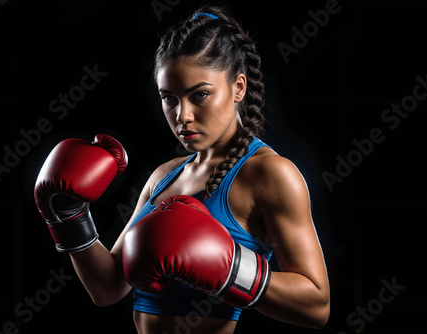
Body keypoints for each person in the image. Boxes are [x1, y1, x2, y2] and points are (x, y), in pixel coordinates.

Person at [34, 5, 330, 334]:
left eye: (199, 95)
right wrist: (70, 217)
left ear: (239, 88)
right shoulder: (164, 176)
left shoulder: (269, 174)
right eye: (169, 98)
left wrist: (229, 270)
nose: (182, 116)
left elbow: (317, 306)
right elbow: (107, 288)